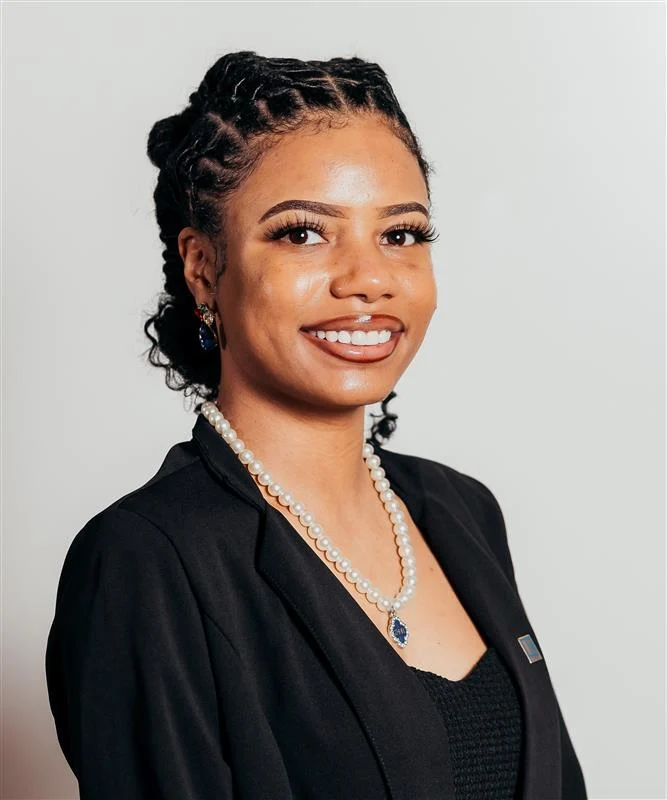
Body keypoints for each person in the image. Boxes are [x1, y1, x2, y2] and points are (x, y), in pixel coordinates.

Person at [45, 50, 587, 800]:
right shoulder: (150, 559)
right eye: (303, 233)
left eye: (400, 234)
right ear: (204, 266)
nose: (367, 278)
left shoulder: (461, 511)